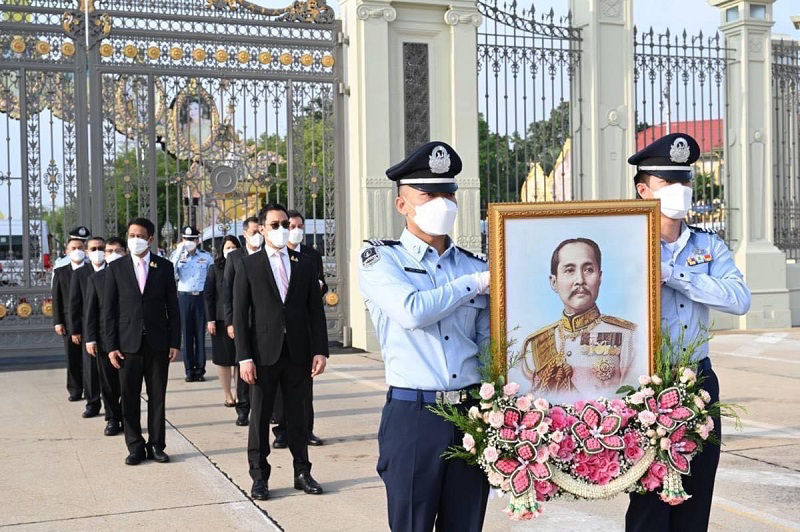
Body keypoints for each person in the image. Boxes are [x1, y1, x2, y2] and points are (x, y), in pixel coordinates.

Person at [359, 141, 491, 531]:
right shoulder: (382, 259)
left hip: (469, 413)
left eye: (449, 193)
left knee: (465, 524)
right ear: (403, 205)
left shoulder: (473, 264)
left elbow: (487, 343)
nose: (443, 203)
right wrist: (472, 285)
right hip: (415, 416)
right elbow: (412, 311)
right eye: (429, 194)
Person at [625, 133, 751, 531]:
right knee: (649, 503)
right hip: (646, 386)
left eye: (685, 181)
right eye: (669, 183)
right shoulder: (626, 246)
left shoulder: (707, 245)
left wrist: (679, 276)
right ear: (645, 190)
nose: (681, 191)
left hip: (698, 380)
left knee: (695, 499)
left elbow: (739, 299)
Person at [233, 204, 328, 500]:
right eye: (274, 225)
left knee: (298, 416)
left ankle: (302, 472)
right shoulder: (249, 265)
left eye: (284, 223)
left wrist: (320, 350)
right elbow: (240, 314)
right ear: (261, 228)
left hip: (297, 352)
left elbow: (315, 310)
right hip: (263, 354)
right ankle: (259, 476)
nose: (281, 229)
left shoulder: (304, 263)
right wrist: (244, 357)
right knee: (260, 417)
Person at [519, 237, 637, 403]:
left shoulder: (628, 337)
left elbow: (633, 401)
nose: (580, 280)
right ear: (554, 282)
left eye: (588, 270)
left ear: (600, 277)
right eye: (569, 270)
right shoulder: (535, 344)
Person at [104, 218, 181, 465]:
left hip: (158, 343)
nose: (134, 239)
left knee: (157, 396)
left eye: (139, 235)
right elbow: (109, 311)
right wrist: (111, 346)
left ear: (150, 239)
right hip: (128, 345)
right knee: (129, 396)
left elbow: (173, 307)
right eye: (131, 234)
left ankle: (157, 444)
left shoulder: (164, 267)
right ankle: (135, 445)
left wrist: (174, 341)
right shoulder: (117, 268)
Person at [270, 209, 327, 447]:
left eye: (298, 226)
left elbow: (319, 286)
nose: (294, 231)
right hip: (275, 333)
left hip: (302, 329)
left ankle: (306, 430)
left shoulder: (310, 256)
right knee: (279, 389)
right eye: (289, 226)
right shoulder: (270, 257)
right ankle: (281, 431)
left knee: (304, 386)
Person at [223, 215, 264, 427]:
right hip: (241, 321)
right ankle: (243, 408)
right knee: (244, 364)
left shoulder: (269, 255)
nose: (258, 236)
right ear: (245, 234)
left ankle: (268, 409)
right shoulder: (235, 257)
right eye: (254, 232)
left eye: (260, 231)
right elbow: (228, 291)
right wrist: (230, 322)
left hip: (265, 323)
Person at [85, 238, 127, 436]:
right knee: (108, 384)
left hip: (129, 338)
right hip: (104, 340)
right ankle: (112, 418)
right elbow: (90, 311)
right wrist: (90, 338)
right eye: (109, 250)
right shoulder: (96, 278)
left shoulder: (134, 276)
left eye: (118, 250)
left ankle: (128, 418)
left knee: (127, 383)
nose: (113, 253)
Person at [68, 235, 106, 418]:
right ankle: (93, 403)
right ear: (87, 252)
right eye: (93, 249)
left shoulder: (113, 271)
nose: (97, 252)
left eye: (100, 248)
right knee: (90, 369)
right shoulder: (80, 274)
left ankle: (112, 404)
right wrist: (75, 330)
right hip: (87, 329)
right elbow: (74, 304)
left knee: (109, 369)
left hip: (109, 329)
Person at [52, 226, 90, 402]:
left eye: (80, 248)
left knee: (89, 358)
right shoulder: (61, 272)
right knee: (72, 357)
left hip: (89, 320)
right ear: (67, 251)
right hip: (68, 321)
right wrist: (58, 321)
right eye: (73, 248)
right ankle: (75, 389)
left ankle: (91, 389)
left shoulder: (91, 270)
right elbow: (56, 298)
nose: (77, 251)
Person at [170, 225, 212, 382]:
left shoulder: (206, 256)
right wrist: (180, 251)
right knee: (187, 335)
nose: (189, 242)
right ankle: (189, 370)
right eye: (186, 239)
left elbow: (211, 278)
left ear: (198, 240)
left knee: (200, 334)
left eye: (192, 239)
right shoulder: (178, 256)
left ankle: (200, 370)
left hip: (201, 297)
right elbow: (171, 273)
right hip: (184, 297)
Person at [204, 235, 241, 408]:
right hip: (220, 320)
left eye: (234, 247)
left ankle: (240, 393)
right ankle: (228, 395)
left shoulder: (244, 265)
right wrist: (210, 319)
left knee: (240, 360)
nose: (231, 251)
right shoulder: (214, 269)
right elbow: (209, 296)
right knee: (224, 360)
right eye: (228, 248)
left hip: (240, 318)